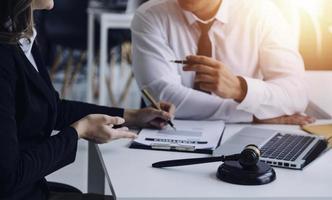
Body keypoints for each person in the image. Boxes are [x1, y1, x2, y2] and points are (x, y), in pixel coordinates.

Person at [0, 0, 175, 199]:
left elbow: (54, 108)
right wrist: (78, 132)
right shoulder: (4, 54)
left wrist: (132, 116)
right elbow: (9, 177)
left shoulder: (21, 37)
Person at [131, 0, 315, 125]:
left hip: (244, 140)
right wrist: (253, 114)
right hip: (169, 134)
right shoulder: (151, 14)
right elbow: (163, 98)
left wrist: (240, 89)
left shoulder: (262, 14)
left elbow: (296, 94)